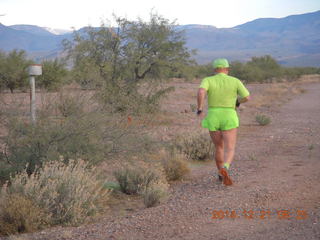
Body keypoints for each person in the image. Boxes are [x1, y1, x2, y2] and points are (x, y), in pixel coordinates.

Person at [197, 58, 250, 186]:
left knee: (219, 147)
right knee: (230, 148)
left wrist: (199, 108)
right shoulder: (235, 81)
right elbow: (247, 97)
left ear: (215, 69)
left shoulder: (208, 80)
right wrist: (238, 102)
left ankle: (220, 173)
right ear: (227, 69)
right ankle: (225, 167)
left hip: (213, 115)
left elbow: (201, 91)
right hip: (229, 115)